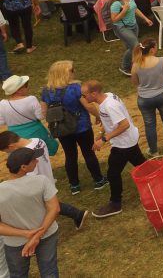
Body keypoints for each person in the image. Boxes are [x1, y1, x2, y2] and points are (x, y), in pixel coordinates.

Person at [40, 61, 106, 194]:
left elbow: (44, 113)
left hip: (62, 128)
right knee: (88, 152)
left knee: (70, 155)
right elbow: (88, 106)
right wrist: (98, 116)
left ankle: (74, 185)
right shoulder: (76, 88)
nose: (74, 72)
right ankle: (99, 181)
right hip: (81, 126)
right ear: (64, 73)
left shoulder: (46, 91)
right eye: (71, 70)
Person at [83, 79, 146, 218]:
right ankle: (156, 183)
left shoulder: (109, 105)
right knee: (141, 165)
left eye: (84, 95)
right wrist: (100, 134)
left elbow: (124, 125)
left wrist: (105, 139)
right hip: (128, 140)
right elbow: (110, 122)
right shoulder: (108, 96)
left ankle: (115, 204)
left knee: (112, 173)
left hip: (123, 144)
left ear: (94, 93)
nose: (83, 98)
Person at [0, 147, 63, 276]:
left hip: (14, 242)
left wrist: (27, 234)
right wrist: (37, 235)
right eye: (33, 160)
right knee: (49, 271)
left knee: (18, 274)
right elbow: (55, 208)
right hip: (47, 235)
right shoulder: (41, 181)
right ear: (23, 167)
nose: (37, 161)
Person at [129, 40, 163, 156]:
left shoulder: (136, 64)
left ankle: (154, 150)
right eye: (155, 47)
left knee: (149, 124)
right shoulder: (162, 60)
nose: (156, 49)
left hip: (145, 99)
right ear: (151, 49)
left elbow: (134, 82)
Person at [110, 0, 154, 76]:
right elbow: (114, 19)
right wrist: (124, 11)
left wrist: (146, 19)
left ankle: (132, 64)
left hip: (134, 25)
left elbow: (135, 9)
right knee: (136, 46)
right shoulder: (116, 4)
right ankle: (124, 67)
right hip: (122, 27)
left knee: (131, 46)